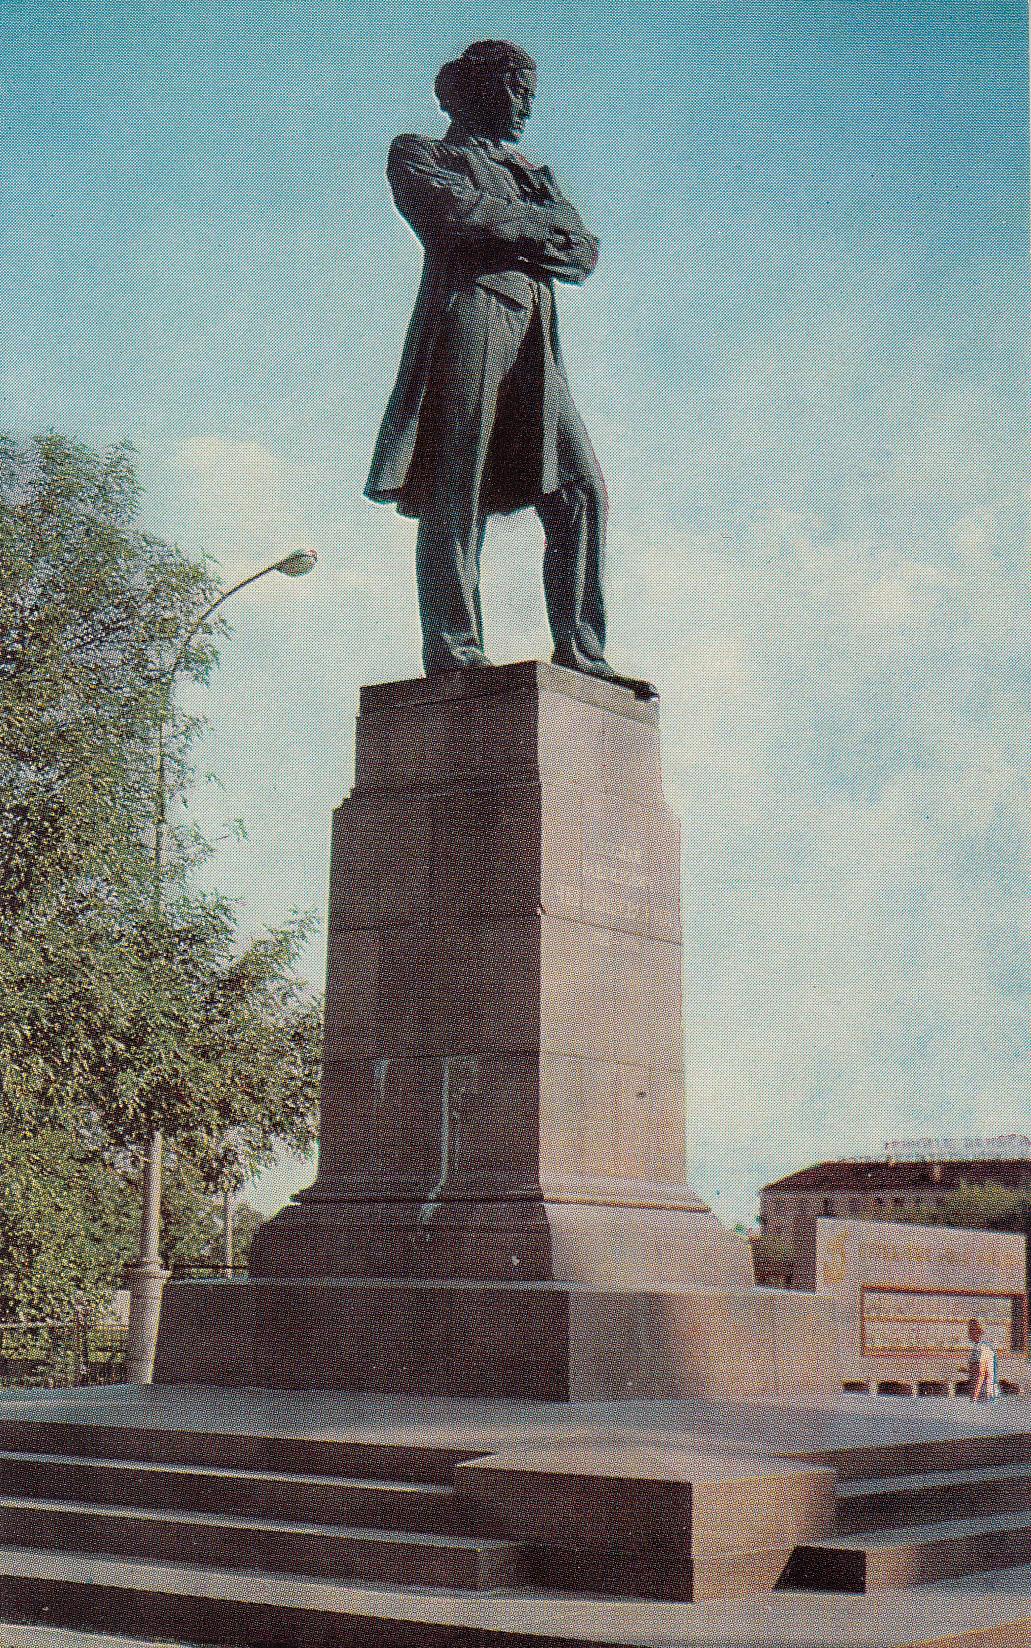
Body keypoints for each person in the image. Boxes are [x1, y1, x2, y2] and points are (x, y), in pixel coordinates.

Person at [365, 39, 655, 698]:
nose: (527, 105)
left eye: (531, 93)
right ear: (481, 86)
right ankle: (454, 647)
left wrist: (522, 227)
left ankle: (582, 650)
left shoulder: (531, 171)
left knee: (581, 491)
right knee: (454, 483)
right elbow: (449, 215)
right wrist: (537, 227)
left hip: (535, 336)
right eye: (518, 89)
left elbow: (581, 253)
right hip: (468, 316)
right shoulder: (422, 152)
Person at [966, 1319, 998, 1403]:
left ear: (976, 1332)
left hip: (982, 1392)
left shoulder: (981, 1348)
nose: (968, 1334)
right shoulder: (979, 1347)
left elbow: (981, 1373)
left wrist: (974, 1396)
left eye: (970, 1330)